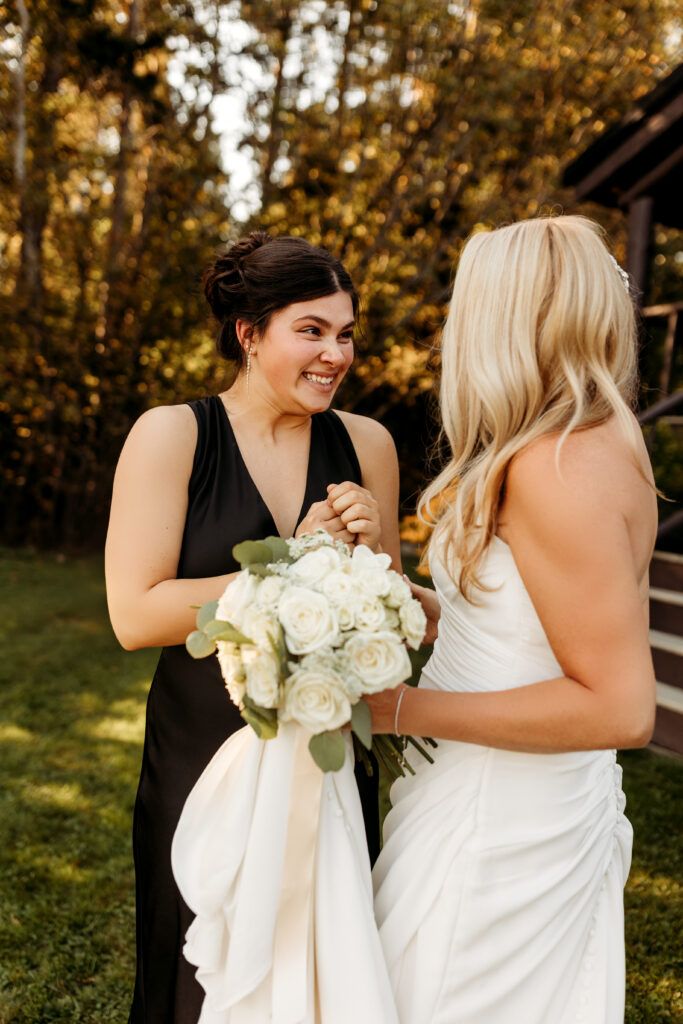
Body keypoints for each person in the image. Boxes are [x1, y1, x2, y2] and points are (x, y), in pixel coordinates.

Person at [366, 215, 657, 1024]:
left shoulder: (554, 466)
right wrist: (399, 607)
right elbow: (535, 620)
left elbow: (617, 706)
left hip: (502, 824)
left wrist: (395, 710)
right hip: (501, 789)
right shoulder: (590, 440)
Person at [105, 231, 401, 1024]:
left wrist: (371, 562)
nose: (334, 354)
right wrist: (293, 564)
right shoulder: (172, 436)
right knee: (198, 974)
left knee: (327, 971)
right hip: (203, 753)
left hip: (330, 756)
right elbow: (134, 613)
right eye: (310, 330)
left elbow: (391, 626)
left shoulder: (367, 444)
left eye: (344, 334)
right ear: (249, 332)